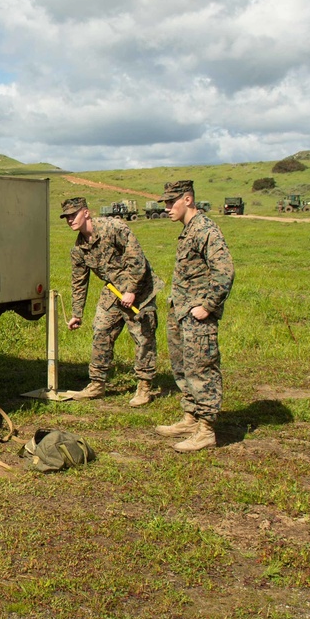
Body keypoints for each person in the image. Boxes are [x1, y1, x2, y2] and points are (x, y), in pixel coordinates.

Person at [154, 180, 235, 453]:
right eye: (164, 202)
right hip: (181, 312)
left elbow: (224, 271)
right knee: (183, 367)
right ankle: (191, 418)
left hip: (197, 314)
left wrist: (208, 306)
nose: (166, 208)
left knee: (202, 369)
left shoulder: (205, 229)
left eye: (171, 202)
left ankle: (206, 430)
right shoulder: (188, 230)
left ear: (187, 199)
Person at [61, 197, 163, 405]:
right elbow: (79, 282)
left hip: (140, 288)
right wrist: (76, 314)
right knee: (101, 330)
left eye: (74, 215)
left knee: (143, 336)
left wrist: (132, 290)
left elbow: (137, 259)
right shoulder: (79, 249)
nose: (70, 220)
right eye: (67, 217)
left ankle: (144, 387)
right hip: (114, 291)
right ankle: (97, 384)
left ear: (86, 213)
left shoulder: (113, 227)